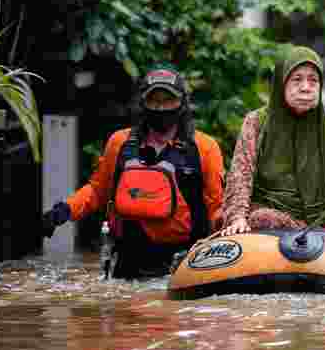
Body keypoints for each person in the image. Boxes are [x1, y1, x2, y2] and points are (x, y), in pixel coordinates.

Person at [41, 66, 225, 279]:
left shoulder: (205, 148)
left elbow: (217, 205)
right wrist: (64, 210)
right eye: (154, 100)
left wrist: (231, 229)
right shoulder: (119, 143)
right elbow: (98, 190)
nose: (161, 107)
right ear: (143, 103)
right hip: (127, 264)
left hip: (184, 265)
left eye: (168, 100)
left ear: (182, 104)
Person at [217, 46, 325, 237]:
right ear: (281, 84)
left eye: (313, 80)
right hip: (267, 220)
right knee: (262, 217)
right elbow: (241, 174)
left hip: (318, 224)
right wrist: (238, 218)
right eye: (297, 80)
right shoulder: (257, 122)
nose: (306, 88)